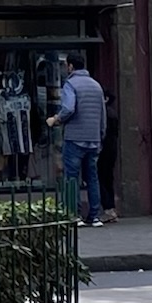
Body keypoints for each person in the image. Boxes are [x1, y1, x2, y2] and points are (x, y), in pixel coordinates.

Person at [49, 54, 106, 225]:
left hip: (75, 138)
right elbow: (102, 115)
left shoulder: (71, 84)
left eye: (66, 65)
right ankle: (94, 216)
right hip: (93, 139)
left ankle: (74, 215)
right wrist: (100, 136)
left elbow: (68, 108)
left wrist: (56, 119)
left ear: (71, 66)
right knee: (92, 178)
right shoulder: (96, 85)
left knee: (71, 178)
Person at [97, 86, 119, 223]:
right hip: (111, 149)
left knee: (101, 178)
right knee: (108, 178)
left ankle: (108, 208)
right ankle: (110, 208)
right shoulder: (112, 113)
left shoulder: (105, 114)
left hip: (104, 150)